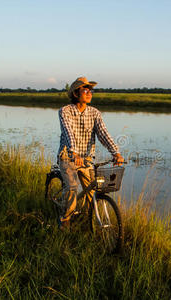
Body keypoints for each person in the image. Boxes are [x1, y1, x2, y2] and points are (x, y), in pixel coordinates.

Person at [57, 76, 124, 230]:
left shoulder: (94, 113)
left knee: (92, 190)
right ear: (75, 93)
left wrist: (116, 153)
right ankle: (65, 219)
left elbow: (103, 133)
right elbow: (68, 133)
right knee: (72, 187)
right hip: (68, 156)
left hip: (86, 158)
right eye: (85, 90)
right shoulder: (65, 111)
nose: (90, 93)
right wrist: (74, 152)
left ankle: (89, 220)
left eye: (91, 90)